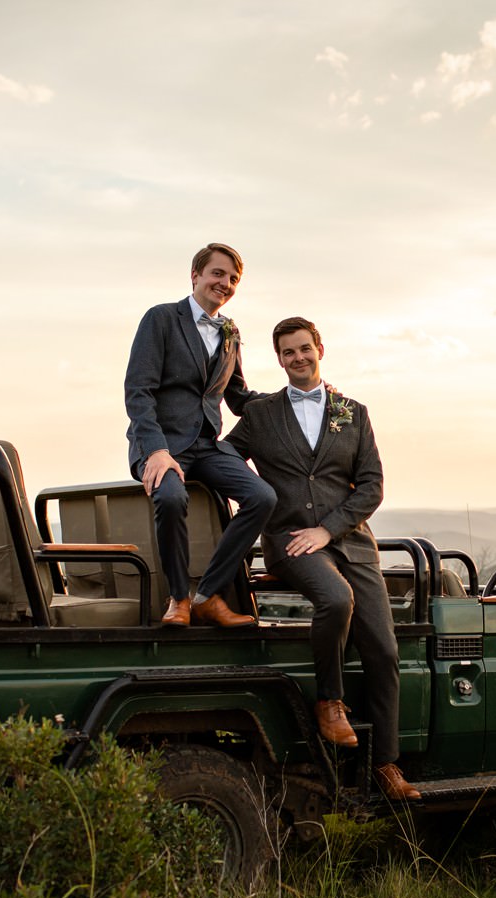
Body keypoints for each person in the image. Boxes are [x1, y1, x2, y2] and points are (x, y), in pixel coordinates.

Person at [225, 317, 420, 801]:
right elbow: (225, 458)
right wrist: (254, 505)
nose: (298, 358)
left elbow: (372, 484)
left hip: (350, 541)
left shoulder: (353, 413)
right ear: (279, 359)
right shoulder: (262, 414)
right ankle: (329, 702)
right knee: (335, 599)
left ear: (320, 349)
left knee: (384, 651)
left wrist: (328, 528)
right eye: (288, 352)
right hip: (290, 541)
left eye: (304, 348)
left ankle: (386, 765)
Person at [124, 242, 277, 627]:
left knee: (262, 496)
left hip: (208, 445)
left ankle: (208, 595)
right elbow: (138, 392)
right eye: (217, 274)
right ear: (195, 275)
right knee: (172, 497)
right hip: (162, 444)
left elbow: (239, 396)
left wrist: (293, 400)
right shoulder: (160, 319)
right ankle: (179, 599)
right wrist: (156, 451)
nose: (224, 283)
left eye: (233, 279)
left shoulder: (230, 332)